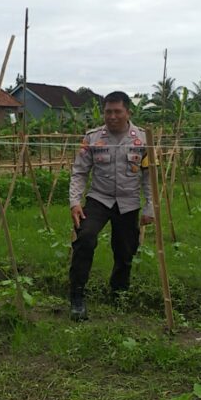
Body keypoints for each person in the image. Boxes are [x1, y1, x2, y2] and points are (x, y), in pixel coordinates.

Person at [68, 91, 153, 321]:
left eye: (117, 111)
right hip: (99, 198)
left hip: (128, 201)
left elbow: (149, 176)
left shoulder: (143, 140)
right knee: (85, 238)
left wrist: (150, 207)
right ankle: (77, 295)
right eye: (108, 112)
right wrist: (75, 202)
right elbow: (79, 172)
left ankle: (119, 291)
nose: (112, 116)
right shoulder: (93, 139)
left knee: (126, 249)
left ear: (128, 112)